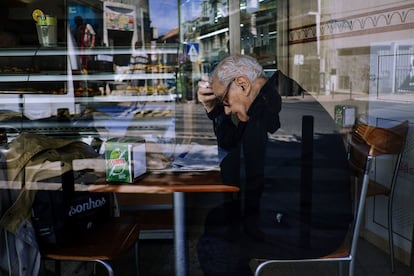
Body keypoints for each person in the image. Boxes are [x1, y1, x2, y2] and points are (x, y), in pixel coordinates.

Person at [196, 54, 352, 275]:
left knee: (215, 245)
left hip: (313, 229)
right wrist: (214, 110)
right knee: (218, 220)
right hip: (313, 217)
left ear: (242, 84)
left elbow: (231, 174)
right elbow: (234, 145)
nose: (228, 110)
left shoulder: (269, 114)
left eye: (225, 101)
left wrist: (217, 113)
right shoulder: (274, 99)